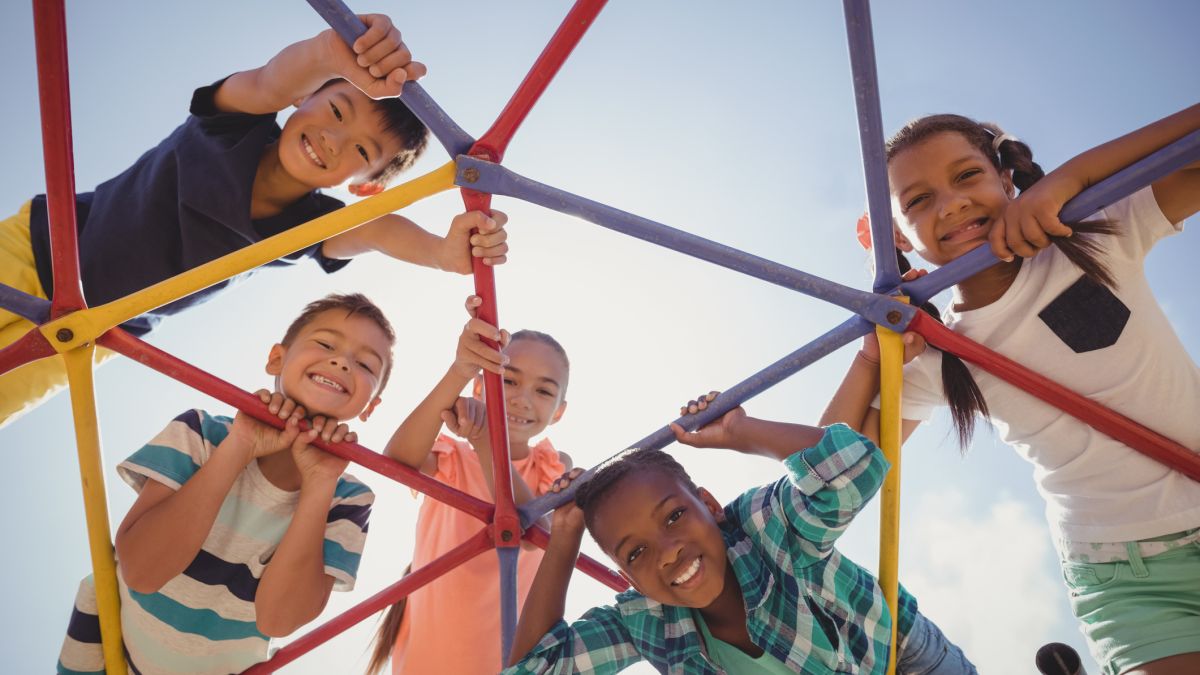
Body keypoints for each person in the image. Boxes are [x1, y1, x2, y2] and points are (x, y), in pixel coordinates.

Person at [0, 13, 509, 429]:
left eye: (360, 149)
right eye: (335, 110)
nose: (333, 139)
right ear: (302, 98)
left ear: (366, 184)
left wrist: (444, 254)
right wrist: (331, 54)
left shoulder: (308, 228)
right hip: (34, 249)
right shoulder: (230, 124)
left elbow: (379, 230)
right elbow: (269, 80)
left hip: (83, 332)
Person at [835, 104, 1200, 674]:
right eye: (918, 201)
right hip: (1124, 573)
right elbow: (830, 477)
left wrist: (1068, 181)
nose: (952, 203)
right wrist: (867, 358)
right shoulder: (933, 352)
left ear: (1006, 178)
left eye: (966, 176)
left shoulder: (1096, 232)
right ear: (893, 239)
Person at [503, 392, 976, 674]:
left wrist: (741, 431)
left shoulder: (763, 526)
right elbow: (536, 670)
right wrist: (565, 537)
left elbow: (855, 468)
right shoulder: (643, 618)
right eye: (636, 553)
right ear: (627, 577)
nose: (666, 554)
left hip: (899, 651)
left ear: (709, 505)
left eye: (673, 517)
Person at [55, 293, 395, 674]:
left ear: (370, 406)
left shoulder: (348, 495)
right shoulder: (202, 432)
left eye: (365, 364)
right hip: (109, 643)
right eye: (326, 343)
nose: (341, 361)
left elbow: (278, 621)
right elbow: (141, 572)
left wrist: (318, 484)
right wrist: (239, 446)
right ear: (276, 360)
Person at [365, 295, 574, 674]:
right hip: (431, 654)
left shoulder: (553, 466)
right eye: (508, 379)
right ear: (480, 388)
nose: (522, 399)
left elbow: (533, 531)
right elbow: (397, 459)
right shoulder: (454, 457)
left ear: (558, 411)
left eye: (543, 391)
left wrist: (485, 442)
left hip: (504, 659)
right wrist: (461, 369)